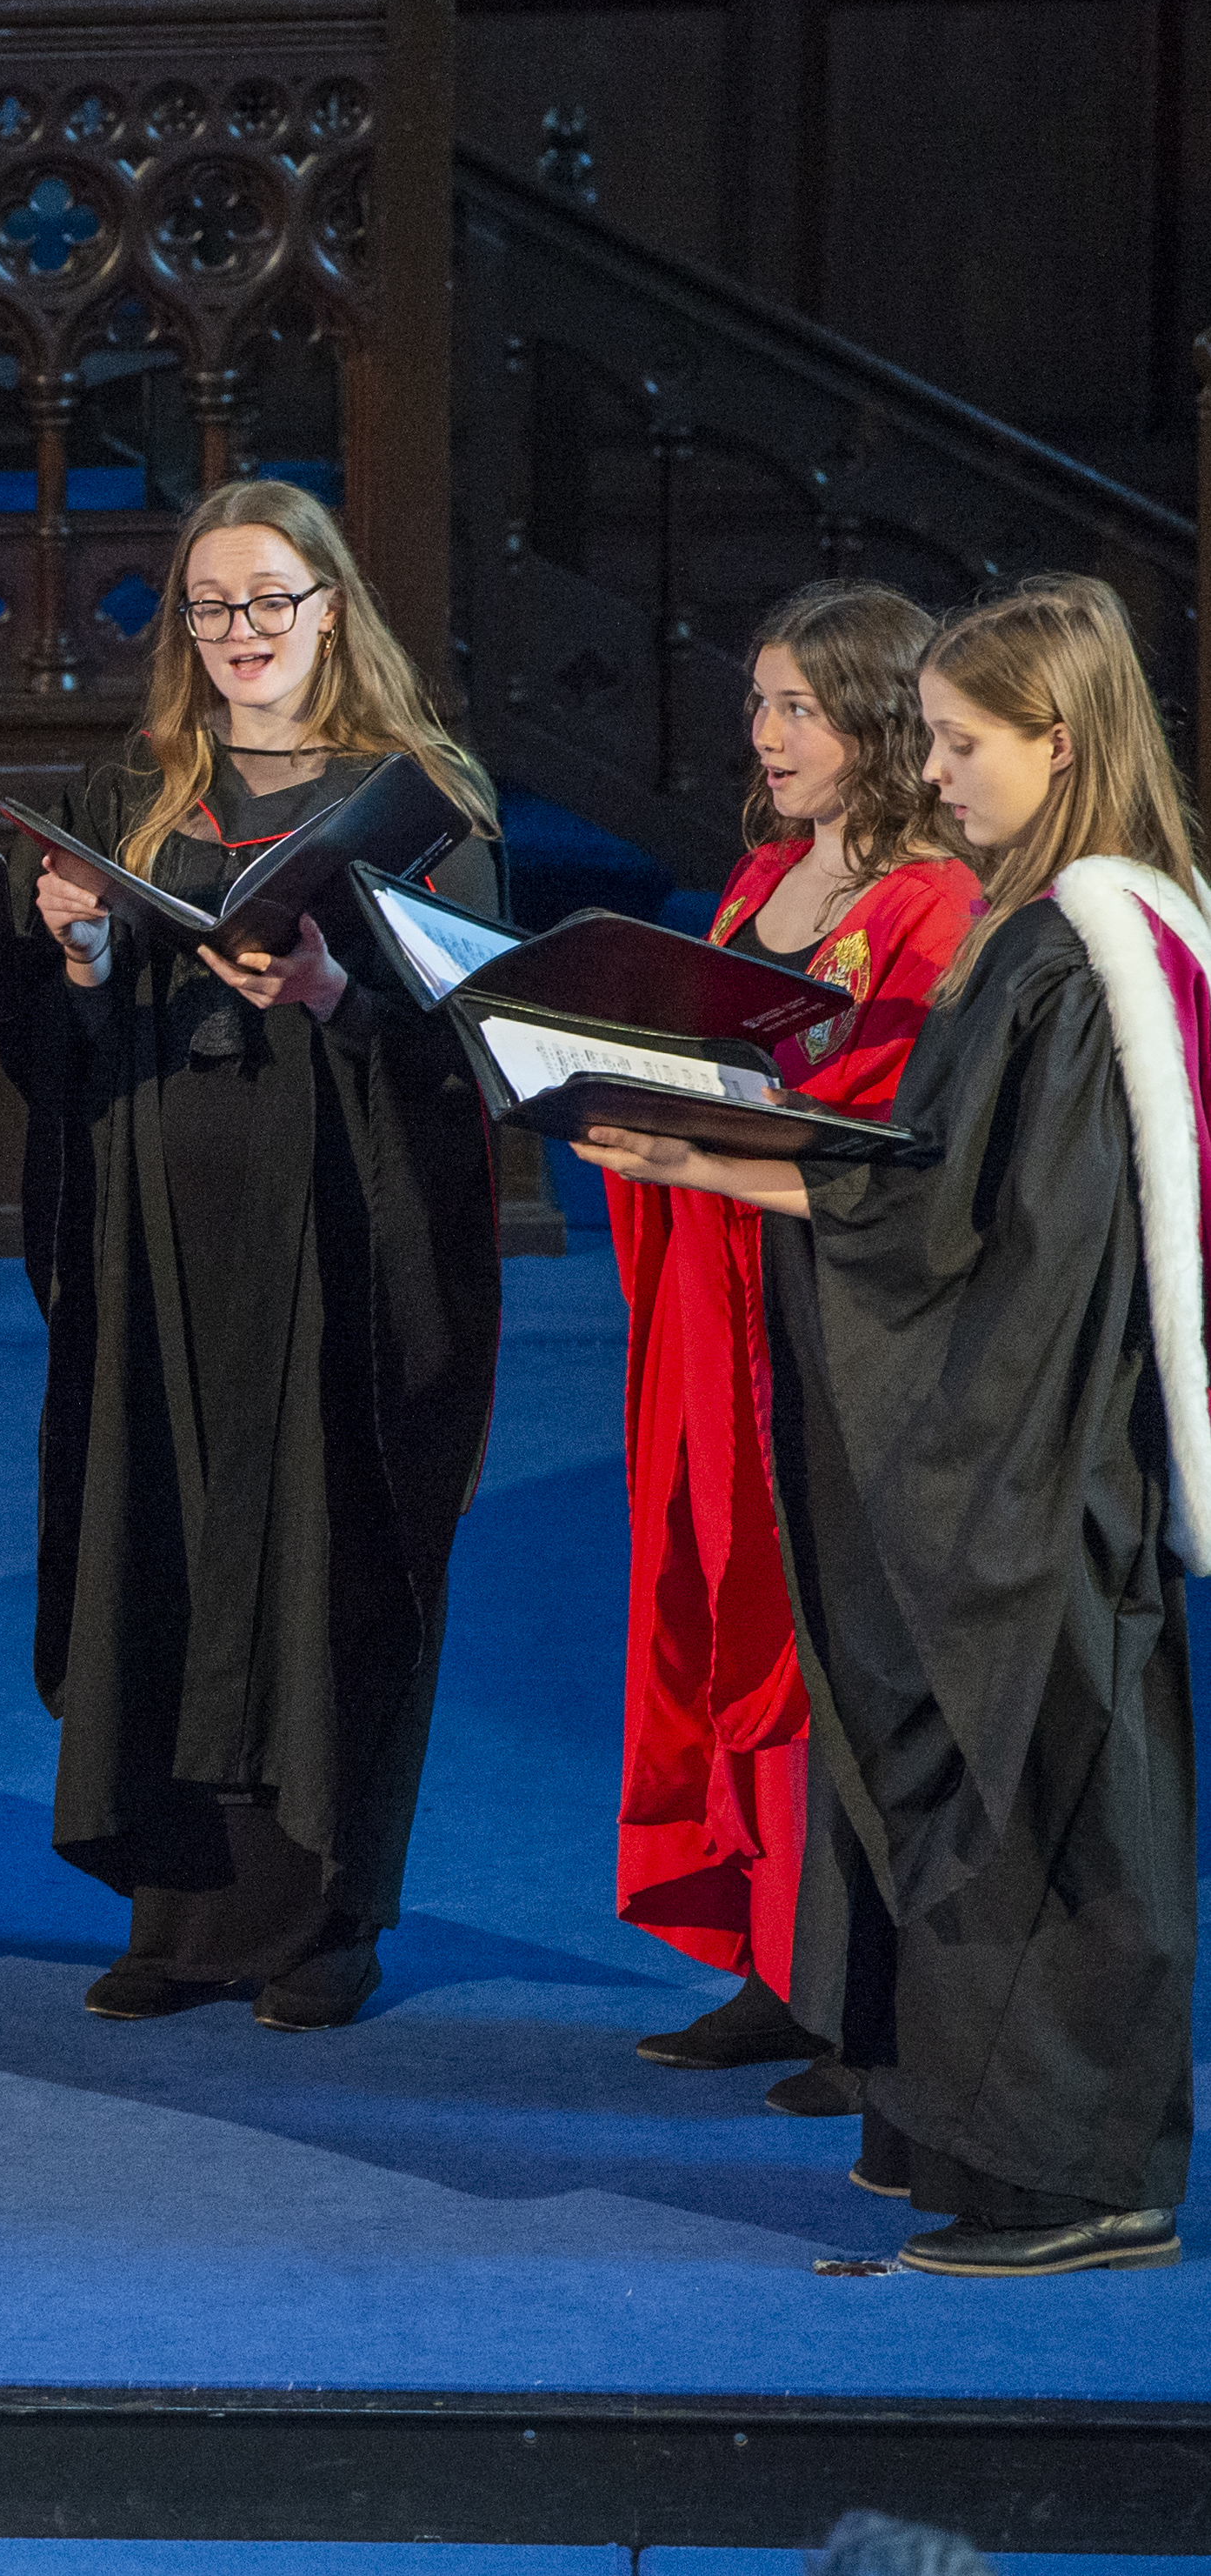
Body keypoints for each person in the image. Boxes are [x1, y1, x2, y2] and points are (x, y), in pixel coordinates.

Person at [580, 576, 1198, 2279]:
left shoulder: (1083, 951)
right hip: (999, 1423)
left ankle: (1090, 2180)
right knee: (967, 1784)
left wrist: (752, 1172)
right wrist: (714, 1159)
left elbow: (987, 1226)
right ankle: (995, 2151)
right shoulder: (1041, 924)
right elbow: (934, 1179)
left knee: (1049, 1786)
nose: (933, 775)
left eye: (959, 742)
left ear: (1059, 744)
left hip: (1036, 1439)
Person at [6, 477, 503, 2033]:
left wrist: (335, 1000)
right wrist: (79, 950)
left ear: (329, 609)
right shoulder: (128, 793)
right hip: (158, 1232)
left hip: (336, 1240)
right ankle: (178, 1909)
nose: (239, 634)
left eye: (269, 601)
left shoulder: (420, 802)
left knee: (319, 1548)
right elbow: (51, 1036)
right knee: (154, 1530)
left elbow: (480, 1040)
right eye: (210, 607)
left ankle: (323, 1915)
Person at [607, 581, 975, 2104]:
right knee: (724, 1594)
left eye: (796, 708)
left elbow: (888, 1118)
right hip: (718, 1288)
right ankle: (775, 1957)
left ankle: (863, 1989)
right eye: (756, 703)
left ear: (878, 722)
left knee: (837, 1635)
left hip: (832, 1312)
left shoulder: (930, 902)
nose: (763, 736)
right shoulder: (764, 873)